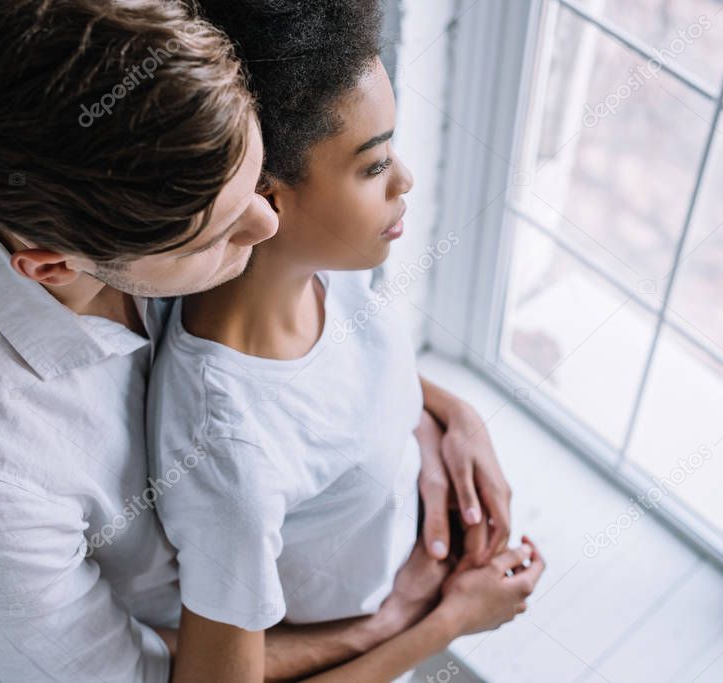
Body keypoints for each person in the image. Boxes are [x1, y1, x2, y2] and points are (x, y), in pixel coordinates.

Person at [0, 1, 529, 681]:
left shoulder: (108, 81)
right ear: (53, 265)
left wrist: (427, 413)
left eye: (255, 184)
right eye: (218, 232)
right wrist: (406, 618)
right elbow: (153, 677)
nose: (267, 225)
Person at [149, 1, 545, 681]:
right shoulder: (230, 456)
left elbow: (332, 387)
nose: (405, 179)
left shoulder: (323, 268)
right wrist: (441, 619)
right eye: (372, 165)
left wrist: (446, 416)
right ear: (267, 199)